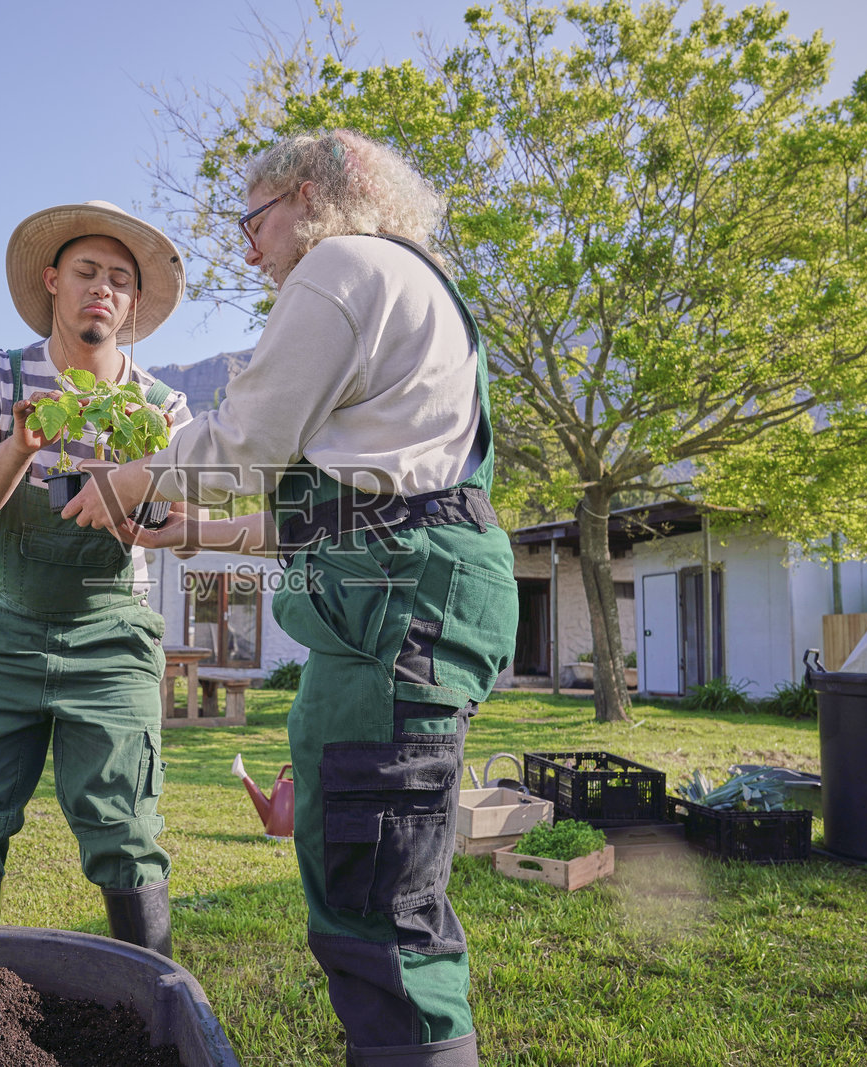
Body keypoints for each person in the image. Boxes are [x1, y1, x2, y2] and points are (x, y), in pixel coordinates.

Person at [64, 131, 519, 1066]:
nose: (248, 245)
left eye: (254, 219)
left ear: (309, 197)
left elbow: (242, 446)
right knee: (363, 858)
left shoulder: (342, 265)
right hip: (397, 600)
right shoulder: (412, 293)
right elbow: (350, 501)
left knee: (385, 920)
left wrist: (128, 478)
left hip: (398, 610)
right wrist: (193, 530)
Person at [0, 200, 190, 956]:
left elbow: (185, 520)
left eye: (118, 278)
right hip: (3, 631)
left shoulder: (162, 407)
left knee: (125, 824)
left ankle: (157, 1005)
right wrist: (19, 446)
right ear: (52, 281)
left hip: (111, 639)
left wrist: (149, 508)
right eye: (86, 271)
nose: (102, 287)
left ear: (133, 303)